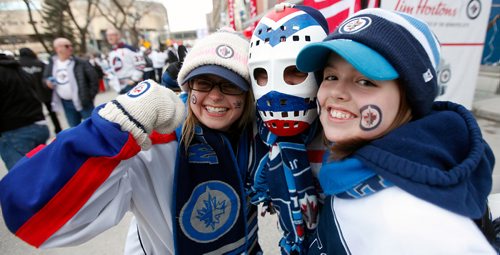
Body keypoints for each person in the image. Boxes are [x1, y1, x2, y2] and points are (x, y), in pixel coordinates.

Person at [0, 28, 262, 255]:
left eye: (229, 85)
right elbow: (26, 210)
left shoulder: (260, 134)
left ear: (247, 93)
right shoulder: (151, 143)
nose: (215, 96)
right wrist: (113, 125)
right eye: (203, 83)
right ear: (188, 87)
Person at [295, 8, 496, 254]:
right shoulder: (354, 152)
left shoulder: (417, 224)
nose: (336, 92)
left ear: (410, 98)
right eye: (331, 76)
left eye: (365, 81)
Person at [246, 3, 328, 254]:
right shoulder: (263, 136)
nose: (275, 91)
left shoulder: (342, 134)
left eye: (294, 72)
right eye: (261, 75)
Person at [0, 52, 49, 170]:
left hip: (15, 132)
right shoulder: (18, 69)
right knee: (44, 171)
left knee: (24, 178)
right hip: (37, 124)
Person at [43, 38, 99, 128]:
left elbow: (94, 79)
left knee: (93, 127)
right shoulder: (52, 64)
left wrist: (89, 96)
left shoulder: (80, 62)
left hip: (84, 102)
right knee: (74, 129)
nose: (71, 48)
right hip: (66, 103)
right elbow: (45, 78)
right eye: (67, 46)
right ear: (58, 48)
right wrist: (47, 82)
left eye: (71, 45)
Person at [19, 47, 63, 134]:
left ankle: (39, 130)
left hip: (30, 95)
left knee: (36, 115)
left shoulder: (19, 66)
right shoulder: (40, 63)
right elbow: (47, 76)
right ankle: (57, 128)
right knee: (52, 113)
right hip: (44, 92)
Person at [105, 28, 145, 94]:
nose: (109, 37)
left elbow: (141, 64)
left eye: (112, 35)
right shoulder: (111, 53)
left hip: (133, 85)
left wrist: (134, 79)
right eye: (108, 35)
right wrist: (113, 82)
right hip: (120, 87)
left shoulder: (129, 49)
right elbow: (112, 69)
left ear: (118, 36)